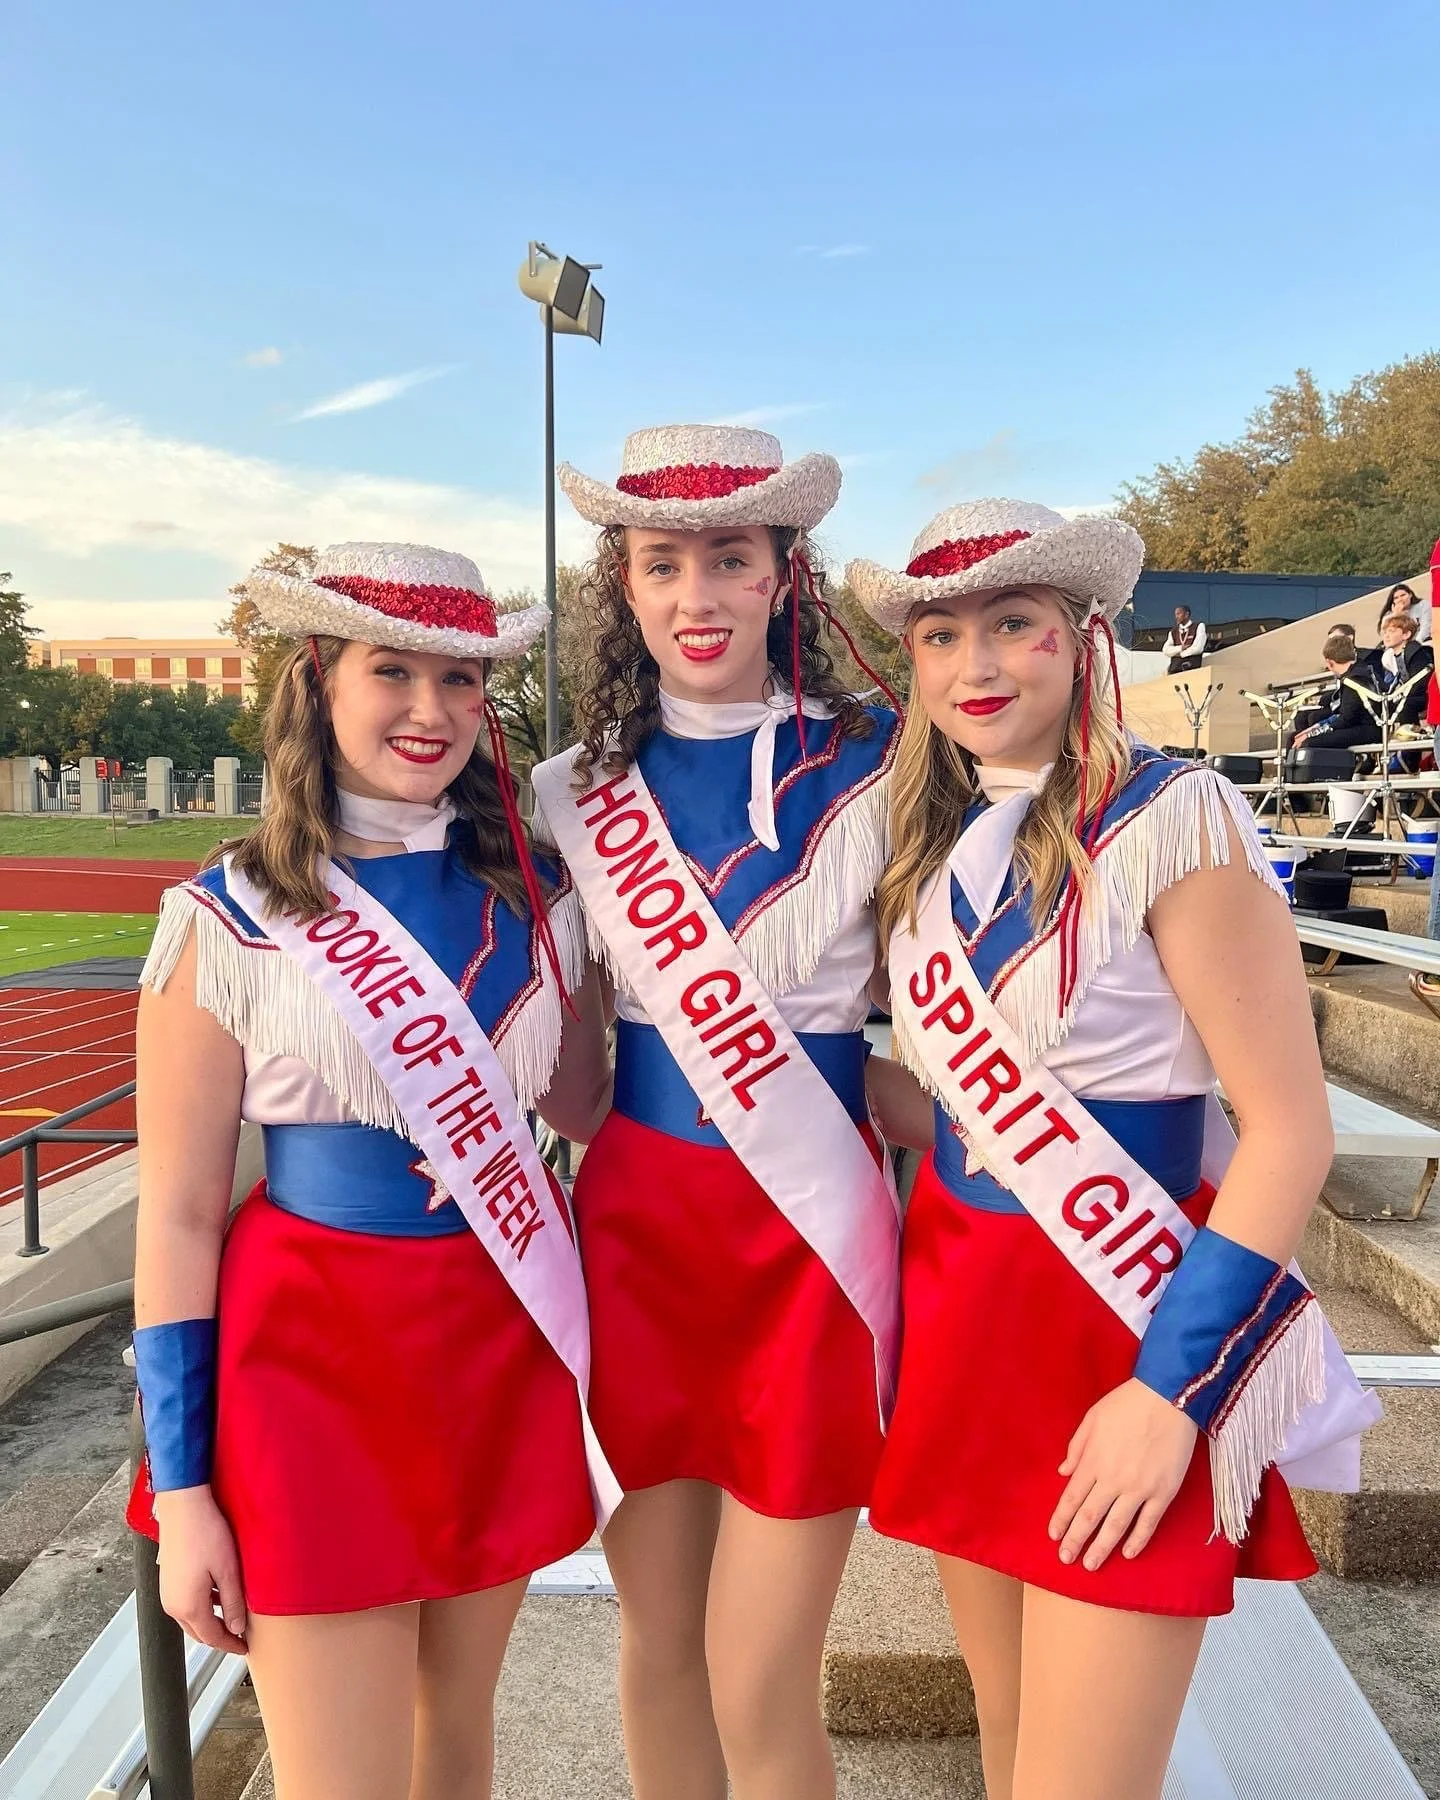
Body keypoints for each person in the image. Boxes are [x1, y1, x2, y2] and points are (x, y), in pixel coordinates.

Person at [842, 501, 1377, 1800]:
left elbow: (1288, 1132)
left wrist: (1167, 1395)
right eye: (942, 636)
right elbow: (969, 1118)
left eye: (1013, 626)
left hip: (1126, 1342)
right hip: (967, 1335)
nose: (976, 668)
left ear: (1084, 638)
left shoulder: (1174, 821)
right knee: (1009, 1737)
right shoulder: (924, 850)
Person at [127, 543, 615, 1800]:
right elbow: (178, 1220)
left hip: (493, 1342)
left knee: (454, 1751)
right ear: (319, 681)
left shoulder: (542, 905)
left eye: (460, 680)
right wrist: (184, 1493)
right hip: (309, 1367)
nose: (430, 710)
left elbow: (595, 1109)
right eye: (391, 671)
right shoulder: (225, 916)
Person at [529, 424, 902, 1800]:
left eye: (728, 561)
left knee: (761, 1677)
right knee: (662, 1645)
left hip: (809, 1251)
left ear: (779, 580)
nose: (696, 595)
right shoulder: (572, 796)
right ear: (622, 587)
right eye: (663, 563)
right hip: (637, 1240)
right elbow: (564, 1059)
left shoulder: (884, 762)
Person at [1291, 631, 1378, 751]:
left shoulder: (1355, 678)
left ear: (1329, 662)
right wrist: (1315, 728)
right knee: (1294, 738)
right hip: (1357, 726)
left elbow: (1347, 718)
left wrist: (1313, 733)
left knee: (1309, 743)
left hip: (1367, 729)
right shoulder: (1355, 672)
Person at [1377, 580, 1431, 645]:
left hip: (1422, 641)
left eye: (1403, 595)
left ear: (1410, 595)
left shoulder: (1422, 605)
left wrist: (1416, 644)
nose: (1400, 599)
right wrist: (1396, 615)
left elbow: (1426, 626)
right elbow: (1384, 630)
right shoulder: (1390, 614)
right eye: (1396, 598)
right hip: (1400, 646)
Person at [1161, 604, 1206, 673]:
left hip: (1192, 668)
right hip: (1176, 669)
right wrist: (1180, 648)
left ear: (1186, 614)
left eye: (1179, 614)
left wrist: (1180, 654)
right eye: (1176, 614)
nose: (1176, 617)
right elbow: (1166, 650)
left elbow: (1198, 648)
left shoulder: (1198, 626)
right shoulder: (1173, 631)